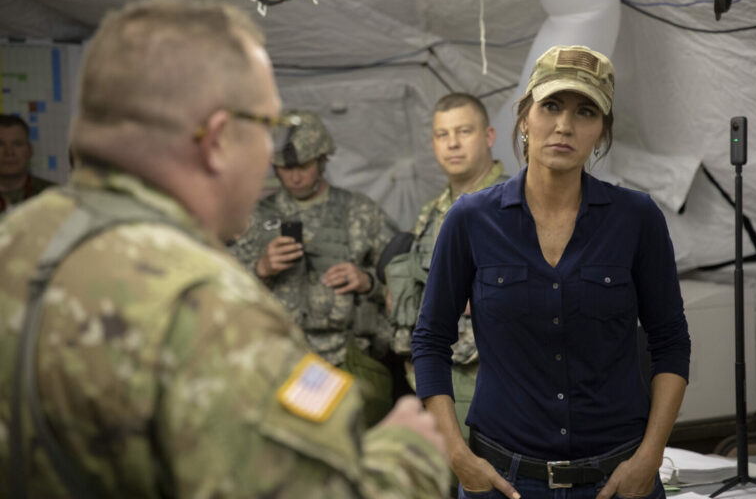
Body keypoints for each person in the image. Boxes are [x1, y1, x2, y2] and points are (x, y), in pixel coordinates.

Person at [0, 0, 449, 499]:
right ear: (216, 140)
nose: (274, 161)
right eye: (266, 129)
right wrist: (410, 453)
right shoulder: (211, 312)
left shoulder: (17, 239)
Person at [411, 45, 691, 499]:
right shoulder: (470, 219)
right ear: (525, 118)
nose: (564, 125)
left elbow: (671, 341)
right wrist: (458, 457)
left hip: (618, 480)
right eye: (551, 106)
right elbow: (429, 340)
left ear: (601, 132)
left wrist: (649, 458)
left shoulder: (636, 218)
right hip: (504, 481)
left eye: (585, 111)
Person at [229, 110, 400, 425]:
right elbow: (221, 292)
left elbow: (408, 286)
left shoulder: (360, 213)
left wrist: (367, 282)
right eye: (284, 168)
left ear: (323, 160)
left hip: (348, 361)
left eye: (303, 166)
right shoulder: (250, 219)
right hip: (277, 362)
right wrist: (261, 268)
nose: (294, 177)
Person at [385, 93, 508, 441]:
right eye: (443, 134)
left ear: (488, 136)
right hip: (434, 378)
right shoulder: (432, 212)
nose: (452, 143)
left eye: (464, 131)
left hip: (492, 384)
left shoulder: (515, 205)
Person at [0, 114, 55, 214]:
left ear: (29, 150)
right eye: (1, 144)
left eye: (17, 144)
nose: (9, 152)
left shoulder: (56, 196)